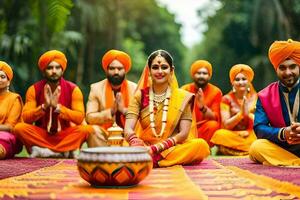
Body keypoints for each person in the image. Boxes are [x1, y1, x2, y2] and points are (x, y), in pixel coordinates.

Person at [124, 50, 210, 168]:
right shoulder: (140, 96)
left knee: (200, 145)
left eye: (164, 67)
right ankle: (151, 158)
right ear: (149, 71)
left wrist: (155, 149)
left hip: (171, 147)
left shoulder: (183, 97)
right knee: (123, 145)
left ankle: (153, 160)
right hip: (144, 146)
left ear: (171, 70)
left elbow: (183, 134)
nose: (160, 71)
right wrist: (136, 144)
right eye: (155, 67)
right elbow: (128, 129)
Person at [14, 50, 93, 158]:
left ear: (62, 70)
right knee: (19, 128)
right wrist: (44, 107)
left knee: (86, 129)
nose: (54, 71)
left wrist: (59, 108)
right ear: (43, 71)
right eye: (50, 68)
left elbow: (79, 118)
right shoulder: (33, 89)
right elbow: (26, 118)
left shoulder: (74, 89)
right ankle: (63, 151)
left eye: (57, 67)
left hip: (65, 135)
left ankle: (46, 151)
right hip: (42, 135)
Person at [249, 39, 300, 166]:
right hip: (282, 147)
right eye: (282, 68)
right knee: (256, 147)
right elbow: (259, 128)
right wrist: (283, 133)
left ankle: (286, 163)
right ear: (276, 69)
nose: (288, 72)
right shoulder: (265, 95)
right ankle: (295, 163)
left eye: (292, 67)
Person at [86, 50, 137, 147]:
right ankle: (101, 159)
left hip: (128, 135)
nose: (116, 72)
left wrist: (123, 110)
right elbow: (89, 117)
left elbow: (142, 117)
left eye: (119, 68)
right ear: (107, 70)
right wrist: (111, 112)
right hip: (105, 136)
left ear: (125, 70)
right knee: (92, 130)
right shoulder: (96, 88)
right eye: (112, 68)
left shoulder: (135, 89)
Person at [211, 64, 257, 155]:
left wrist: (248, 115)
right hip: (233, 135)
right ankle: (249, 150)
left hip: (250, 134)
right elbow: (226, 124)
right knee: (219, 134)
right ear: (232, 82)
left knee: (259, 136)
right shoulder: (226, 99)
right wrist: (240, 115)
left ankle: (239, 149)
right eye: (237, 79)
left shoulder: (257, 98)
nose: (241, 82)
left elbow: (261, 122)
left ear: (249, 81)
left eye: (244, 79)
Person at [181, 60, 222, 147]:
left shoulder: (216, 92)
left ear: (209, 76)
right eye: (198, 73)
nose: (201, 76)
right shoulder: (184, 90)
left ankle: (203, 148)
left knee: (213, 125)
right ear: (193, 75)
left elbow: (215, 117)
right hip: (187, 129)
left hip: (203, 129)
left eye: (204, 73)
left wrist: (203, 107)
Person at [0, 61, 23, 159]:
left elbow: (10, 127)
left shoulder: (14, 99)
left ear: (8, 81)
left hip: (6, 137)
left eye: (2, 77)